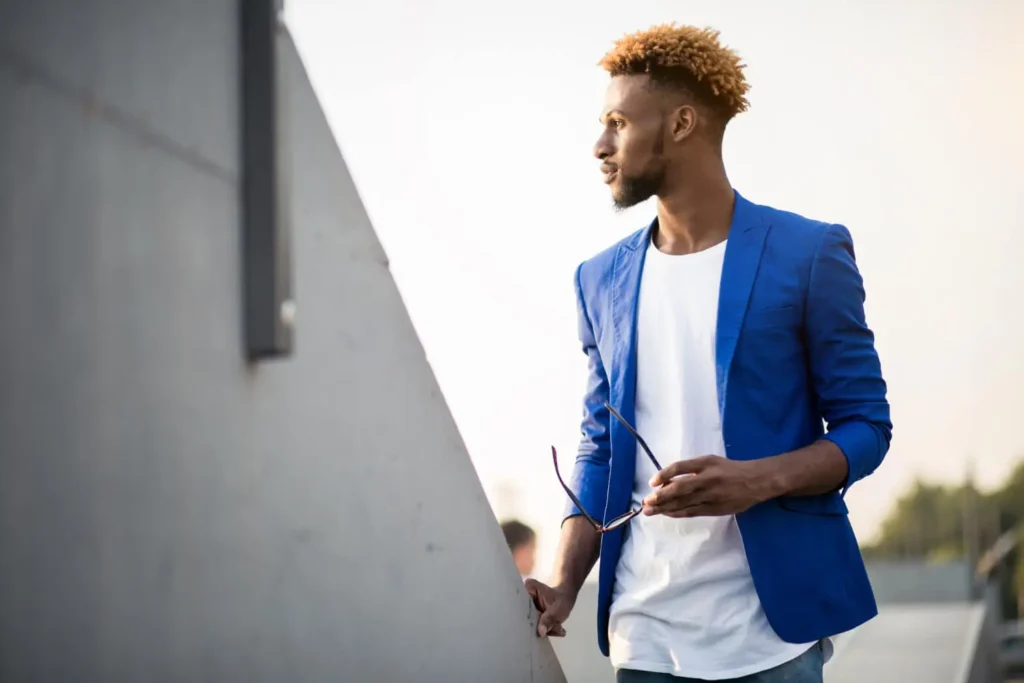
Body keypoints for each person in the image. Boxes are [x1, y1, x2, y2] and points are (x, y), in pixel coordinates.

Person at [524, 24, 892, 683]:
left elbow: (867, 427)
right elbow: (600, 447)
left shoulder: (808, 254)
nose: (600, 145)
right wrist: (563, 582)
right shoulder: (598, 279)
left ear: (682, 123)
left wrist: (758, 479)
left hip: (770, 642)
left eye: (618, 123)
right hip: (643, 637)